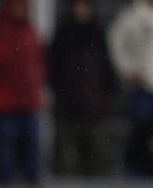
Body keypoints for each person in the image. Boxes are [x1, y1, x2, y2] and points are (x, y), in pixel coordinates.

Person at [0, 0, 46, 187]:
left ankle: (30, 187)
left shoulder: (28, 29)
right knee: (6, 148)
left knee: (31, 148)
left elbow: (37, 63)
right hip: (6, 101)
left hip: (27, 100)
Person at [48, 0, 116, 176]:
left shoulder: (96, 34)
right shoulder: (64, 33)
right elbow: (53, 67)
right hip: (67, 103)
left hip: (92, 104)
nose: (81, 10)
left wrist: (104, 95)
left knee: (94, 154)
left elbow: (106, 69)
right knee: (64, 153)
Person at [108, 0, 153, 177]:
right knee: (141, 127)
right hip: (142, 85)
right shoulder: (131, 17)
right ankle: (134, 170)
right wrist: (126, 70)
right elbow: (115, 41)